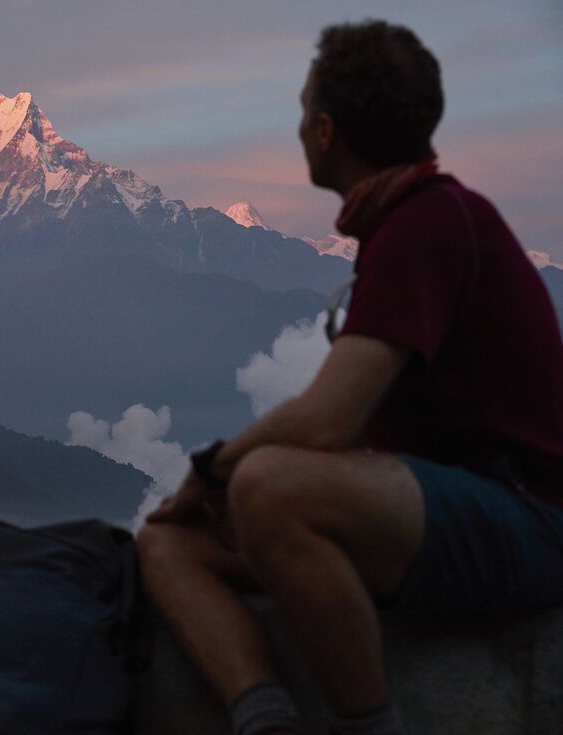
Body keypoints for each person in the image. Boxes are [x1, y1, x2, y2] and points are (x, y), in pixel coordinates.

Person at [139, 20, 563, 735]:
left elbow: (325, 420)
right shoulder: (410, 222)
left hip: (528, 516)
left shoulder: (427, 226)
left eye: (304, 111)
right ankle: (264, 717)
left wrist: (211, 471)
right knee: (166, 544)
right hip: (450, 511)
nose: (300, 128)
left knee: (266, 486)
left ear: (327, 130)